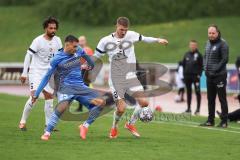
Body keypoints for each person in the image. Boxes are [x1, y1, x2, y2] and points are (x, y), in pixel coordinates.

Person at [94, 17, 168, 138]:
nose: (123, 32)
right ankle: (114, 127)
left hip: (130, 75)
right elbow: (96, 56)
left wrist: (158, 40)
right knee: (121, 109)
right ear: (116, 26)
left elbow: (145, 38)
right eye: (121, 29)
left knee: (144, 102)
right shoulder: (105, 41)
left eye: (125, 30)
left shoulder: (131, 35)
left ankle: (130, 123)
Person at [32, 35, 106, 140]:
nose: (77, 49)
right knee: (62, 107)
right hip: (65, 87)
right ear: (67, 44)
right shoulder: (57, 58)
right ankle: (47, 132)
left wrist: (91, 64)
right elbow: (47, 77)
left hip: (80, 86)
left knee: (101, 103)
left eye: (77, 46)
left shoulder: (79, 50)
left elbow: (84, 54)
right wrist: (36, 93)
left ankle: (84, 126)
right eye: (74, 47)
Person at [19, 16, 62, 131]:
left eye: (54, 28)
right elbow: (28, 55)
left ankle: (48, 125)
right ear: (45, 28)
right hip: (36, 72)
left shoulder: (58, 40)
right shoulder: (38, 41)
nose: (53, 30)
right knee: (34, 97)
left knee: (49, 98)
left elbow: (60, 56)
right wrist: (24, 73)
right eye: (50, 28)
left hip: (49, 73)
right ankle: (22, 122)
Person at [200, 24, 229, 128]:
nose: (211, 35)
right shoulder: (207, 43)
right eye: (209, 33)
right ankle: (210, 120)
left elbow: (225, 59)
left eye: (213, 33)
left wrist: (215, 69)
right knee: (210, 99)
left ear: (217, 33)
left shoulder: (223, 44)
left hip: (219, 76)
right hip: (209, 76)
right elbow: (205, 56)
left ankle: (224, 121)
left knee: (222, 99)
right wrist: (204, 67)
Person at [182, 40, 203, 115]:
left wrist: (199, 74)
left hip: (195, 77)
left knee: (197, 92)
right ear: (189, 46)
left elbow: (201, 66)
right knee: (188, 92)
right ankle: (188, 109)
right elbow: (183, 65)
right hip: (187, 76)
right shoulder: (186, 54)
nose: (192, 46)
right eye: (191, 45)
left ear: (196, 46)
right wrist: (184, 75)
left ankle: (198, 109)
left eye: (194, 45)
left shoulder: (199, 55)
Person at [76, 36, 94, 112]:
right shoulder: (77, 50)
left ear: (85, 41)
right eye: (80, 41)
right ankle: (81, 107)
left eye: (82, 40)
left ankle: (92, 106)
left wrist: (84, 66)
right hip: (79, 71)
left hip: (86, 72)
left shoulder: (88, 50)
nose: (81, 42)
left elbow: (90, 61)